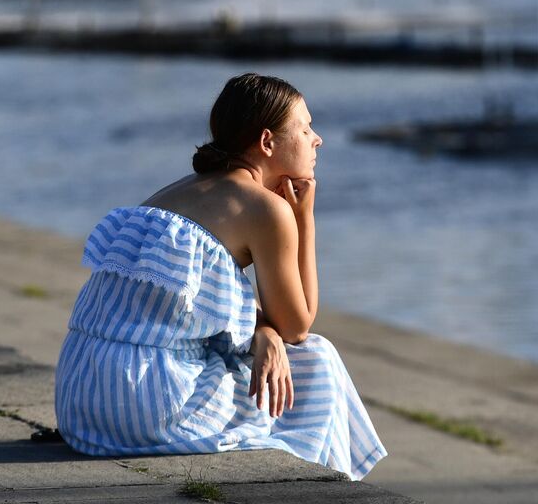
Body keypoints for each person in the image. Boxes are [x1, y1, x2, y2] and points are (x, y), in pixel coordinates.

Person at [53, 73, 386, 480]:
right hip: (143, 406)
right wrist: (304, 217)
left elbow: (185, 310)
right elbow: (298, 325)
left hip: (81, 396)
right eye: (305, 127)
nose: (317, 139)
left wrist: (263, 330)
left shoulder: (173, 192)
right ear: (267, 142)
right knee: (316, 361)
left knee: (272, 357)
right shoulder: (265, 209)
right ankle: (320, 483)